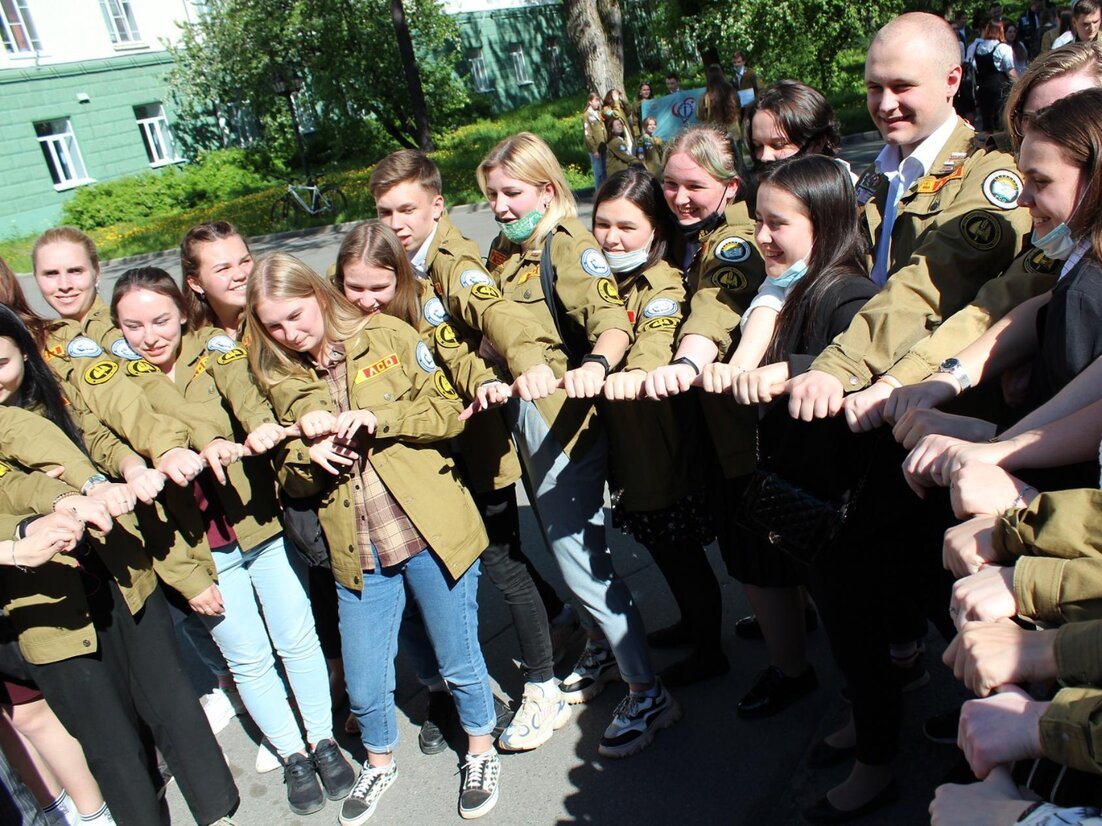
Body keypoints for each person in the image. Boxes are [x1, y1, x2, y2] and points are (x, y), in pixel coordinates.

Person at [246, 253, 502, 822]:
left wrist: (376, 417)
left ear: (317, 294)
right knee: (363, 682)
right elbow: (287, 475)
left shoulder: (386, 333)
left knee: (458, 659)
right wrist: (307, 458)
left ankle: (481, 748)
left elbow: (447, 414)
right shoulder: (277, 375)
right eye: (275, 326)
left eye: (296, 315)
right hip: (358, 548)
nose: (291, 333)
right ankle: (380, 764)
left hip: (430, 530)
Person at [111, 267, 354, 816]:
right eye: (132, 326)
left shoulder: (215, 349)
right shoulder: (116, 379)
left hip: (257, 525)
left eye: (160, 320)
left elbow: (247, 393)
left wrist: (258, 425)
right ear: (118, 329)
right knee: (248, 657)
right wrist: (186, 576)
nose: (149, 336)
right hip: (197, 549)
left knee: (297, 635)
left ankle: (322, 740)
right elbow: (133, 438)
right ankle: (292, 754)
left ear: (181, 312)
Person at [474, 132, 680, 757]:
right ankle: (600, 649)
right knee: (565, 550)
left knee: (581, 560)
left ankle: (648, 690)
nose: (502, 206)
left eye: (512, 193)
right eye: (491, 196)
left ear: (547, 189)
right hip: (525, 418)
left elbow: (612, 322)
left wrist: (595, 364)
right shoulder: (506, 250)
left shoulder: (566, 245)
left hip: (563, 420)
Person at [330, 218, 569, 753]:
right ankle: (443, 691)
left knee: (502, 562)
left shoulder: (427, 299)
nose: (368, 300)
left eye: (380, 288)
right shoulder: (338, 326)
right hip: (404, 479)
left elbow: (458, 349)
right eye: (356, 288)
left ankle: (540, 680)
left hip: (469, 446)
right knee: (419, 587)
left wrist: (493, 376)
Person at [0, 306, 240, 826]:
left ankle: (220, 815)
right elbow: (15, 488)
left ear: (23, 350)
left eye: (0, 362)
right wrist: (67, 500)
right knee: (113, 746)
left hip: (124, 576)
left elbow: (101, 437)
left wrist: (131, 467)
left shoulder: (54, 398)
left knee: (173, 708)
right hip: (48, 613)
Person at [701, 156, 879, 726]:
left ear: (823, 225)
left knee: (854, 627)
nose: (760, 237)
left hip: (838, 501)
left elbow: (864, 369)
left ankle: (872, 743)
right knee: (836, 614)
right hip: (804, 488)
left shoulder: (847, 295)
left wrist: (789, 370)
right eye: (757, 220)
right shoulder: (790, 283)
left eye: (777, 224)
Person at [786, 11, 1031, 422]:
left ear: (951, 81)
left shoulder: (989, 172)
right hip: (854, 391)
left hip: (935, 404)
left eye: (902, 87)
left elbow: (931, 280)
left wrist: (844, 364)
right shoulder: (878, 173)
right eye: (873, 88)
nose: (884, 105)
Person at [590, 167, 723, 686]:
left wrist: (637, 371)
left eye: (627, 226)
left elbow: (655, 336)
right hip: (629, 445)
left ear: (656, 232)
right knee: (663, 549)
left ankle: (712, 650)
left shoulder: (660, 282)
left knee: (680, 551)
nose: (611, 238)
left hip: (659, 444)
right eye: (602, 224)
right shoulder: (603, 280)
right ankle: (694, 626)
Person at [697, 63, 743, 163]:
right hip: (734, 132)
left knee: (724, 164)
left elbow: (700, 115)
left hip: (716, 136)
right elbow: (739, 107)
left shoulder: (706, 97)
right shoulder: (732, 92)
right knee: (739, 162)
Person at [731, 51, 764, 146]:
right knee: (743, 131)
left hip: (752, 107)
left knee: (754, 130)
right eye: (734, 62)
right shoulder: (733, 78)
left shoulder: (751, 74)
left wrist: (755, 101)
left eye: (738, 62)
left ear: (743, 62)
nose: (736, 64)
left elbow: (761, 90)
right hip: (740, 109)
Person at [583, 92, 607, 189]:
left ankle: (606, 192)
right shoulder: (586, 115)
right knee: (599, 173)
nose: (598, 103)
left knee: (605, 171)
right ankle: (598, 193)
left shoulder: (599, 113)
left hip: (603, 146)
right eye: (596, 100)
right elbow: (587, 134)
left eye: (599, 100)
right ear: (590, 102)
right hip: (596, 148)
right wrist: (594, 150)